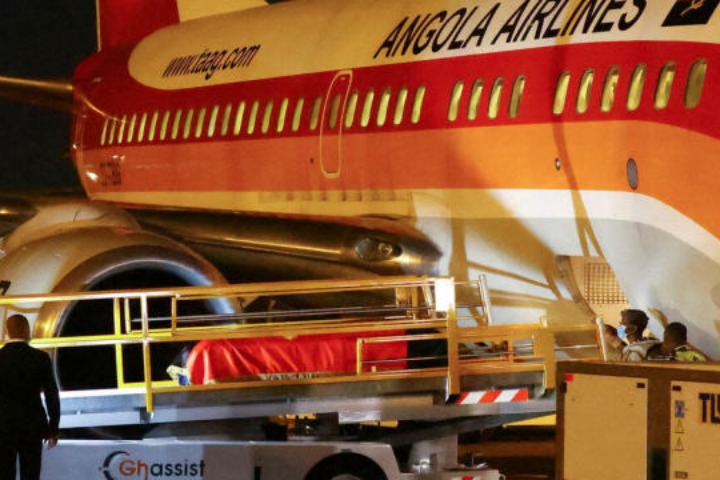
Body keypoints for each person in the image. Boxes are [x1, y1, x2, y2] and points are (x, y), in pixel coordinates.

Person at [0, 314, 60, 480]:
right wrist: (53, 428)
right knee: (31, 474)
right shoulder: (41, 358)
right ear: (27, 330)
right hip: (33, 424)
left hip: (3, 425)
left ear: (7, 332)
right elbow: (51, 394)